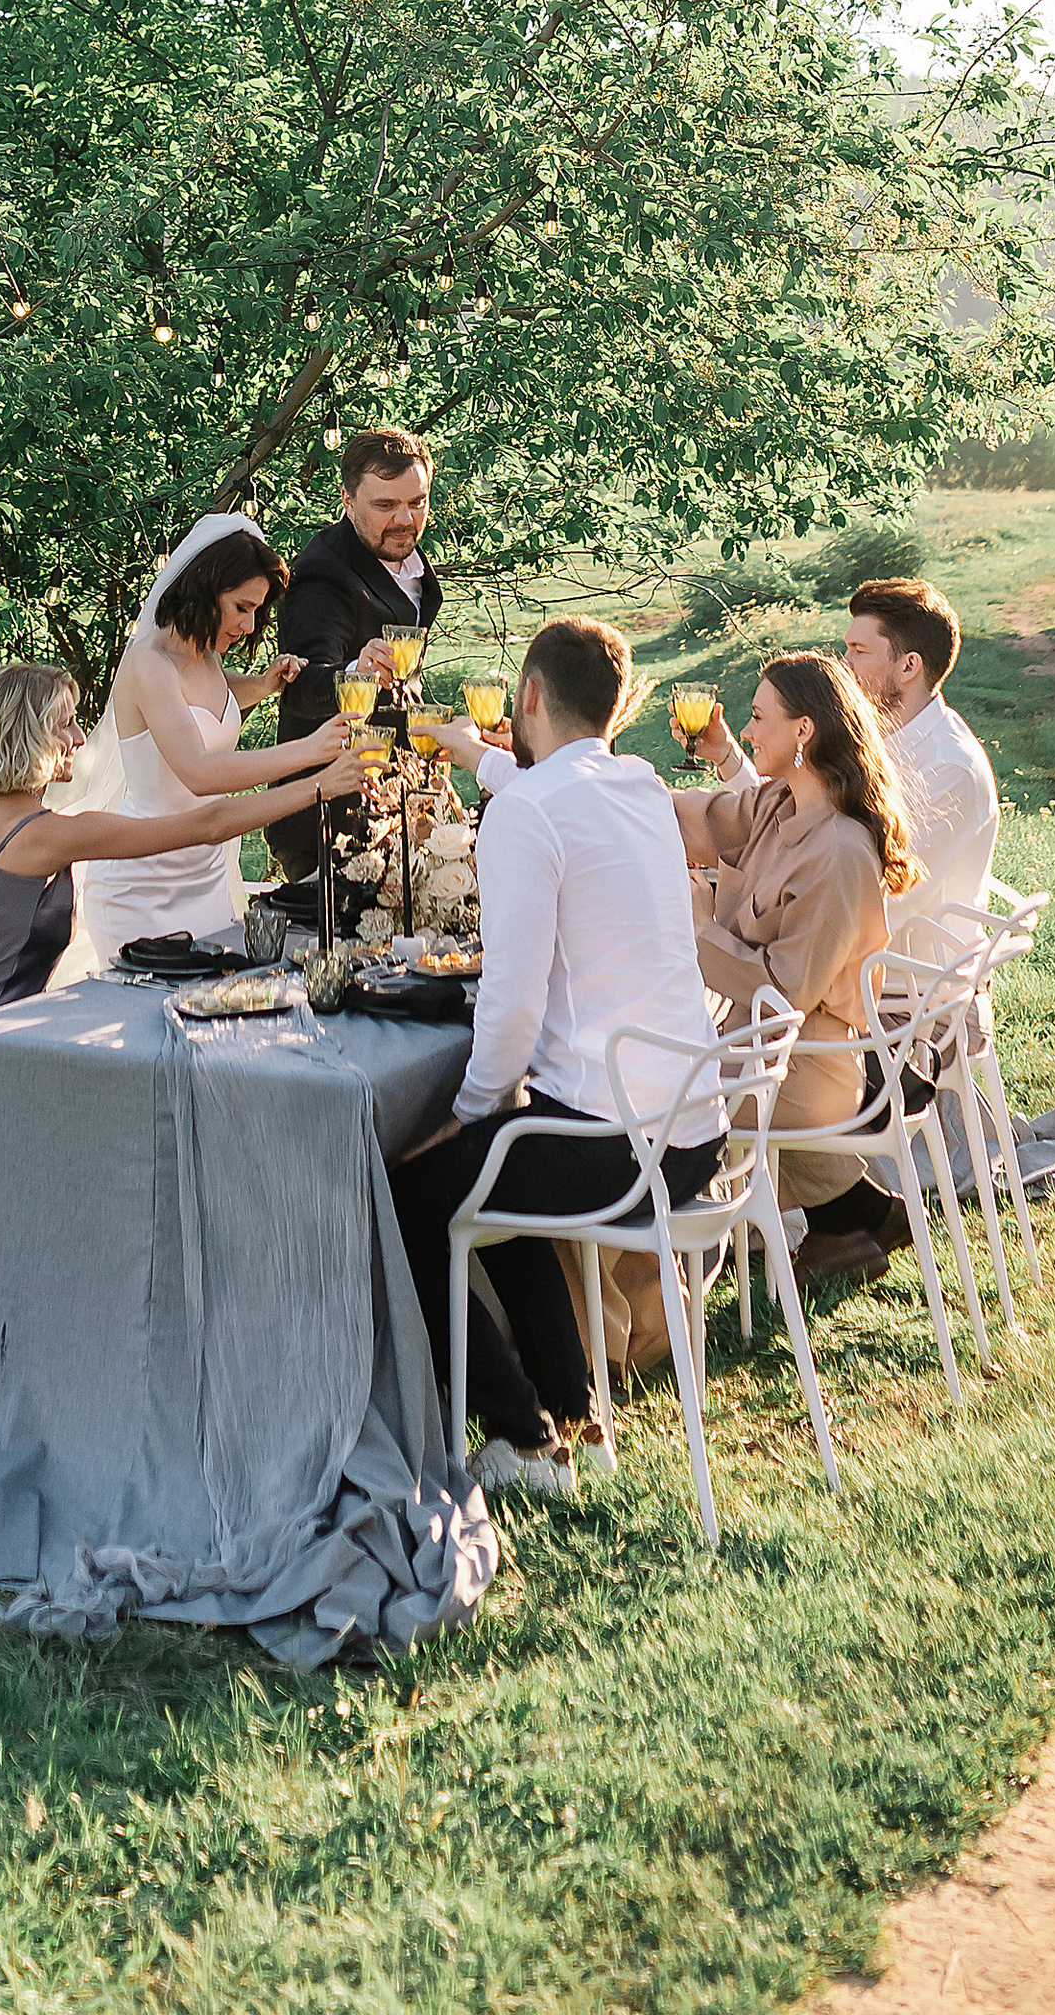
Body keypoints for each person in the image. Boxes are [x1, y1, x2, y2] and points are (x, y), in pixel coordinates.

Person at [387, 617, 724, 1500]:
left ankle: (521, 1437)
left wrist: (466, 1115)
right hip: (694, 1136)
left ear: (529, 695)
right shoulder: (640, 785)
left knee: (408, 1194)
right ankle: (575, 1418)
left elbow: (513, 1004)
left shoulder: (525, 813)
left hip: (615, 1148)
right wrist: (476, 754)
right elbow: (546, 791)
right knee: (502, 1172)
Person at [0, 661, 352, 1118]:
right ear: (27, 736)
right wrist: (319, 786)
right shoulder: (45, 835)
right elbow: (208, 825)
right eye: (64, 725)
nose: (80, 737)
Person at [670, 651, 923, 1286]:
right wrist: (609, 788)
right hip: (759, 1044)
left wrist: (697, 930)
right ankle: (855, 1216)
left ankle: (665, 1266)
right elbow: (706, 818)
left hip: (803, 1065)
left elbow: (786, 992)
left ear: (804, 730)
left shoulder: (838, 850)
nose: (746, 731)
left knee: (648, 1091)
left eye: (759, 718)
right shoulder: (780, 803)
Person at [62, 515, 337, 969]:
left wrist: (263, 685)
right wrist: (312, 750)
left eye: (256, 611)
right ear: (206, 590)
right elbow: (199, 772)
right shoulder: (148, 664)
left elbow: (207, 703)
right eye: (241, 607)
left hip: (206, 874)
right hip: (142, 881)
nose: (249, 625)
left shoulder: (205, 654)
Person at [270, 429, 446, 899]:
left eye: (417, 502)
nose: (405, 519)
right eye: (385, 505)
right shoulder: (323, 575)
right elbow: (301, 685)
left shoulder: (405, 555)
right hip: (328, 820)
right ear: (348, 502)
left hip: (396, 805)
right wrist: (355, 674)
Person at [843, 578, 999, 927]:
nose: (844, 664)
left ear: (908, 666)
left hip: (902, 958)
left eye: (859, 651)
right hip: (847, 936)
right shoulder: (869, 736)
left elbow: (890, 892)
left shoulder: (950, 767)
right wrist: (727, 757)